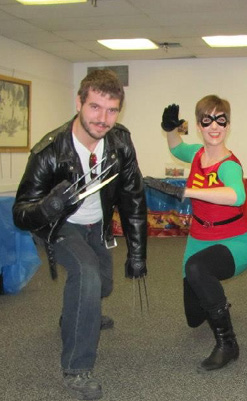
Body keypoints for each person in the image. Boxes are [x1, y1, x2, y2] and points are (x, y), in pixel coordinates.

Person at [12, 69, 148, 400]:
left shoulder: (120, 142)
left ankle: (77, 313)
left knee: (102, 283)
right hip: (60, 227)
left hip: (97, 225)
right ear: (79, 103)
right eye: (95, 107)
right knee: (86, 275)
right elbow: (20, 214)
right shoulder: (49, 151)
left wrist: (137, 252)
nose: (103, 119)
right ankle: (76, 368)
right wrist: (48, 206)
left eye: (112, 110)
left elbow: (132, 197)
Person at [144, 96, 247, 371]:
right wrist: (170, 128)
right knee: (194, 317)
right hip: (199, 238)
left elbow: (236, 195)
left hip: (235, 241)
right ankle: (217, 300)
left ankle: (228, 344)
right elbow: (177, 147)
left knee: (197, 269)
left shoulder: (229, 165)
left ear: (228, 125)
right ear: (198, 125)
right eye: (207, 120)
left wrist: (186, 190)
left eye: (221, 120)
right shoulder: (196, 154)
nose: (214, 126)